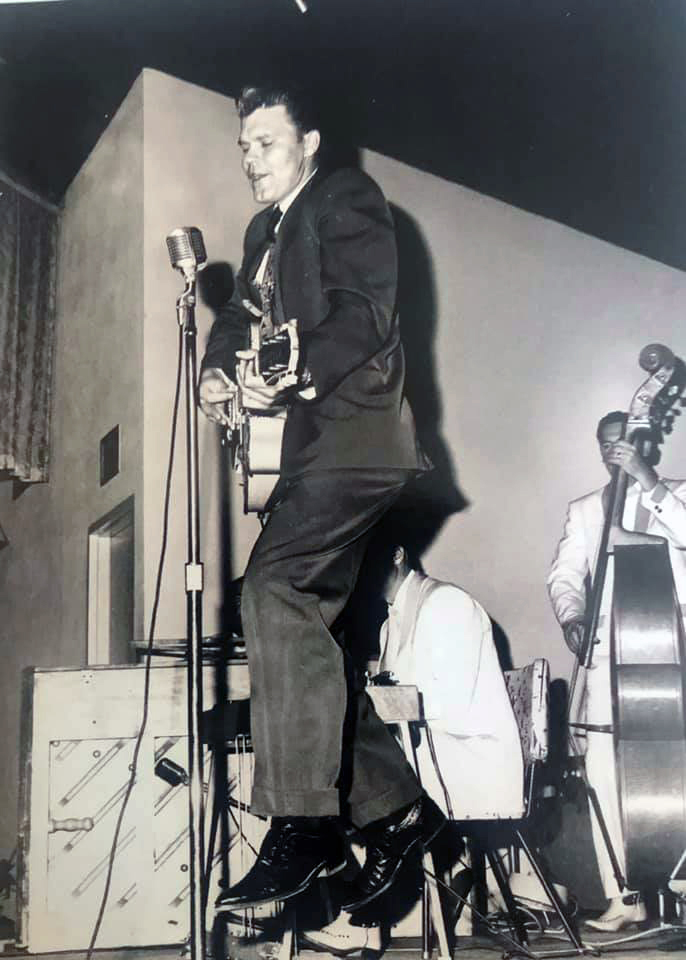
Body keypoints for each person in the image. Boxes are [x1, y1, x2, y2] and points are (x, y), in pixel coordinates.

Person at [198, 84, 444, 915]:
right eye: (243, 147)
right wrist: (220, 366)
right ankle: (401, 812)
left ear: (307, 143)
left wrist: (293, 366)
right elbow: (236, 314)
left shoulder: (345, 198)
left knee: (273, 591)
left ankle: (305, 828)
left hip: (359, 441)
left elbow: (362, 314)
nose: (250, 160)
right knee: (300, 634)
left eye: (265, 143)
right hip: (311, 456)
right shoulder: (263, 232)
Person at [547, 410, 686, 932]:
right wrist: (572, 617)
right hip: (608, 653)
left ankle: (681, 882)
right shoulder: (586, 509)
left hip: (672, 648)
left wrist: (649, 483)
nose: (615, 454)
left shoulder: (676, 492)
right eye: (607, 446)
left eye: (624, 445)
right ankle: (624, 895)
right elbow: (563, 575)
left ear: (646, 445)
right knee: (603, 774)